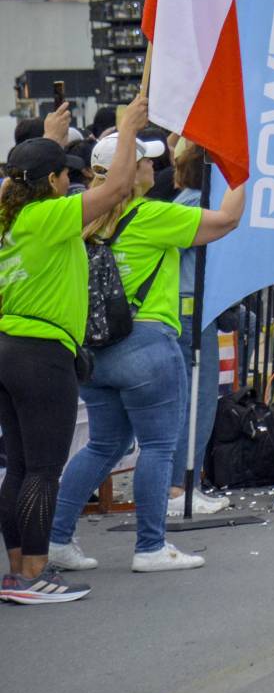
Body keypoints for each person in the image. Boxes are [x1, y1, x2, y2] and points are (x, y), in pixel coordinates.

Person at [45, 127, 247, 573]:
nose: (153, 167)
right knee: (159, 444)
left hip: (93, 349)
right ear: (128, 171)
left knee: (103, 445)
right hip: (148, 344)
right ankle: (151, 546)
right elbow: (227, 221)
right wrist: (242, 174)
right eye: (145, 162)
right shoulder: (151, 215)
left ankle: (57, 537)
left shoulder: (78, 219)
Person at [0, 99, 144, 603]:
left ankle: (18, 571)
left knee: (19, 467)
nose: (71, 182)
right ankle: (36, 574)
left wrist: (49, 139)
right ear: (57, 182)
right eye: (66, 174)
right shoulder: (47, 216)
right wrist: (126, 130)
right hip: (41, 353)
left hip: (9, 348)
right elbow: (119, 188)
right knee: (43, 469)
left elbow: (27, 172)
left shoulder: (10, 218)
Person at [168, 140, 231, 516]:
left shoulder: (182, 204)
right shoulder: (196, 208)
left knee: (189, 399)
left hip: (186, 307)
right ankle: (181, 488)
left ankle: (182, 484)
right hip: (192, 310)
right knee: (199, 400)